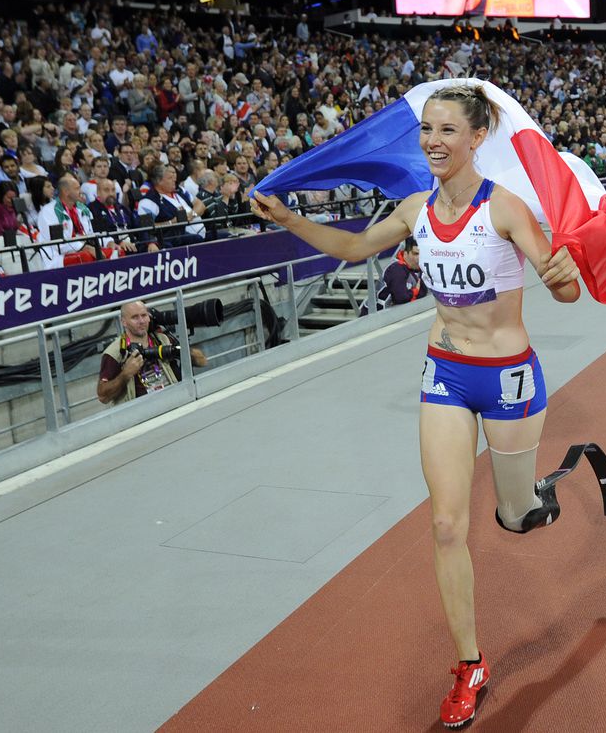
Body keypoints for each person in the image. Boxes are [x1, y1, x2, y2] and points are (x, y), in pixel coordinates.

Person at [249, 83, 581, 730]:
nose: (431, 140)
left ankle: (533, 497)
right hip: (447, 375)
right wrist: (291, 220)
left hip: (509, 377)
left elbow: (564, 290)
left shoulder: (507, 208)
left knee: (513, 517)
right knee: (446, 525)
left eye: (447, 130)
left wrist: (561, 275)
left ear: (477, 137)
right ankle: (470, 665)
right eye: (426, 128)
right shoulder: (414, 208)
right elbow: (352, 248)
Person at [96, 300, 207, 405]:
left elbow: (202, 362)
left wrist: (179, 351)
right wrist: (126, 374)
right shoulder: (114, 352)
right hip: (142, 414)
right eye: (135, 317)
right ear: (124, 322)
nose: (141, 321)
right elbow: (103, 397)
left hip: (175, 401)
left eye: (144, 315)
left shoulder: (162, 339)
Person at [361, 236, 427, 315]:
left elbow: (423, 291)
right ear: (406, 253)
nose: (419, 258)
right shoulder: (396, 269)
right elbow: (401, 297)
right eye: (415, 253)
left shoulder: (415, 267)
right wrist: (415, 291)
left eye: (422, 253)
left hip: (387, 315)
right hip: (373, 317)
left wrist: (412, 294)